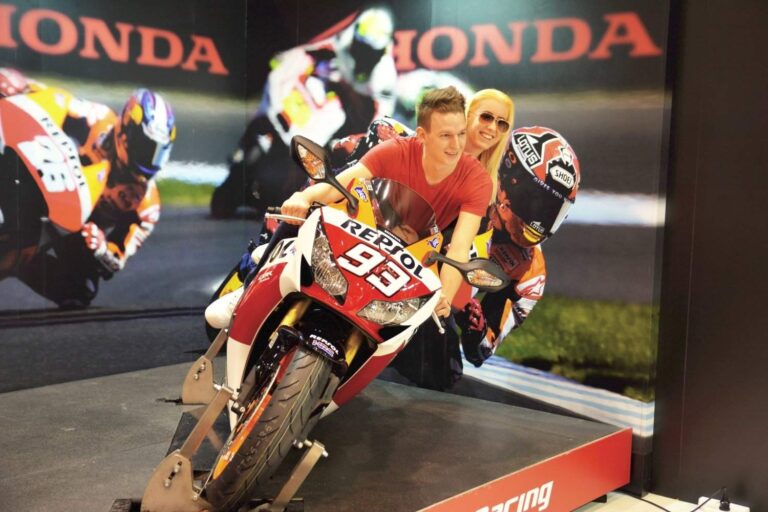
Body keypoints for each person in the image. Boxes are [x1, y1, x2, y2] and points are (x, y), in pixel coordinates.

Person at [211, 7, 397, 218]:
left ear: (382, 50)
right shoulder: (342, 41)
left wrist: (361, 141)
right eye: (361, 46)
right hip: (325, 96)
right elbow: (308, 52)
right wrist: (286, 62)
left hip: (352, 119)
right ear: (355, 36)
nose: (363, 54)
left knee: (331, 159)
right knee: (282, 101)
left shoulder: (385, 77)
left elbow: (380, 120)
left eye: (370, 51)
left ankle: (302, 193)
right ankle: (245, 149)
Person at [16, 86, 176, 308]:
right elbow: (57, 101)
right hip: (42, 176)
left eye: (158, 152)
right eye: (145, 147)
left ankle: (19, 261)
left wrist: (101, 248)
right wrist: (24, 89)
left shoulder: (147, 204)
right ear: (126, 132)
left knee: (82, 289)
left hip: (77, 228)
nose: (150, 159)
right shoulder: (96, 118)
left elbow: (117, 258)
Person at [455, 126, 581, 367]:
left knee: (445, 371)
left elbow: (482, 350)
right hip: (400, 257)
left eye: (552, 210)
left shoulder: (531, 272)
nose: (541, 219)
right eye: (537, 203)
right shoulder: (464, 175)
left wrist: (476, 329)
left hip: (436, 311)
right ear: (510, 181)